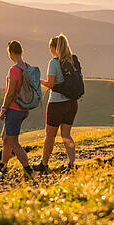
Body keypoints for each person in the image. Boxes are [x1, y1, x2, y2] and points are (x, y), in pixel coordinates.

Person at [38, 33, 79, 171]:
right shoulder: (72, 61)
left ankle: (44, 164)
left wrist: (40, 82)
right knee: (66, 135)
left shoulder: (53, 62)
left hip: (56, 103)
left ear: (54, 48)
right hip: (72, 103)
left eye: (50, 47)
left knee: (50, 135)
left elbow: (51, 84)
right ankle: (72, 164)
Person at [0, 40, 36, 176]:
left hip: (14, 109)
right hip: (24, 108)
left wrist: (3, 108)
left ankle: (28, 169)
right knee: (5, 137)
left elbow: (10, 92)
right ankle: (3, 165)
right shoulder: (27, 67)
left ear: (11, 53)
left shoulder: (14, 70)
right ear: (22, 51)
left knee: (13, 142)